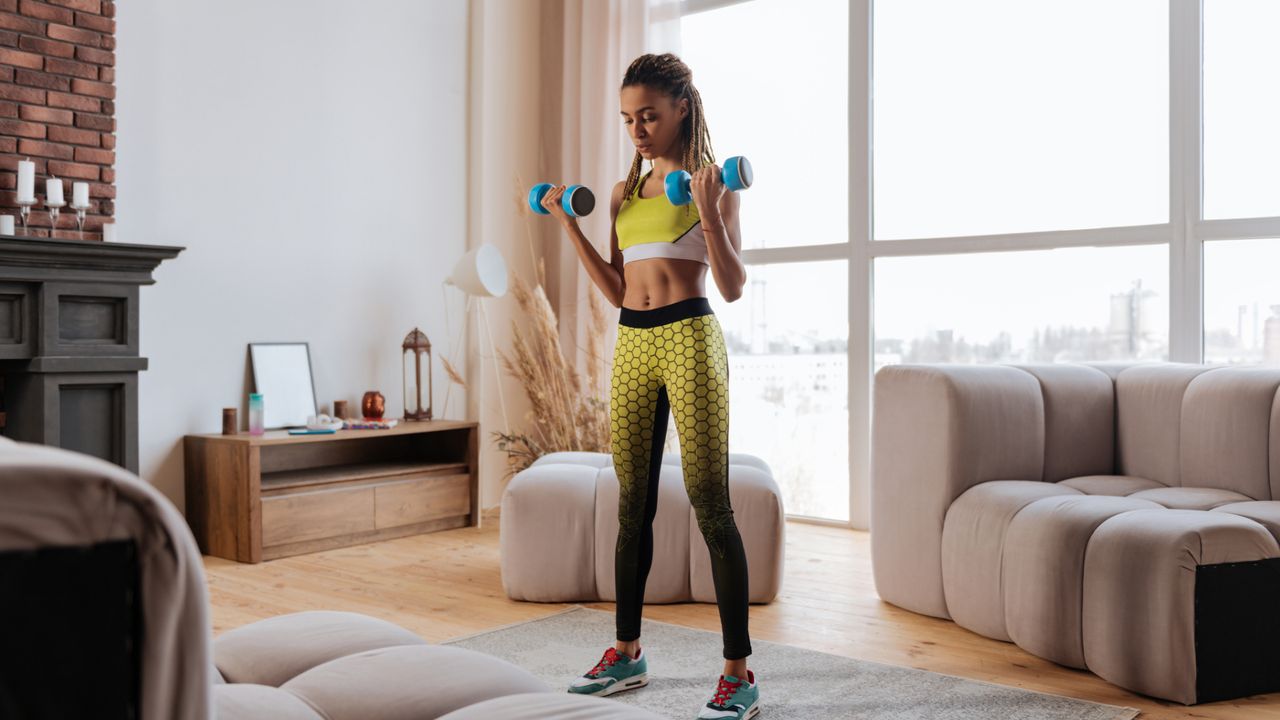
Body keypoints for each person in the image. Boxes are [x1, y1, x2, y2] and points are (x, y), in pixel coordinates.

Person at [539, 52, 758, 720]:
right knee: (631, 503)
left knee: (709, 501)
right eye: (629, 118)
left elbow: (732, 286)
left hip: (689, 338)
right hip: (633, 342)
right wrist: (570, 226)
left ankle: (737, 674)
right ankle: (627, 653)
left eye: (650, 116)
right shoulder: (622, 193)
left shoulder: (711, 182)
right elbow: (616, 286)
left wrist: (710, 212)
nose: (637, 129)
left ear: (681, 108)